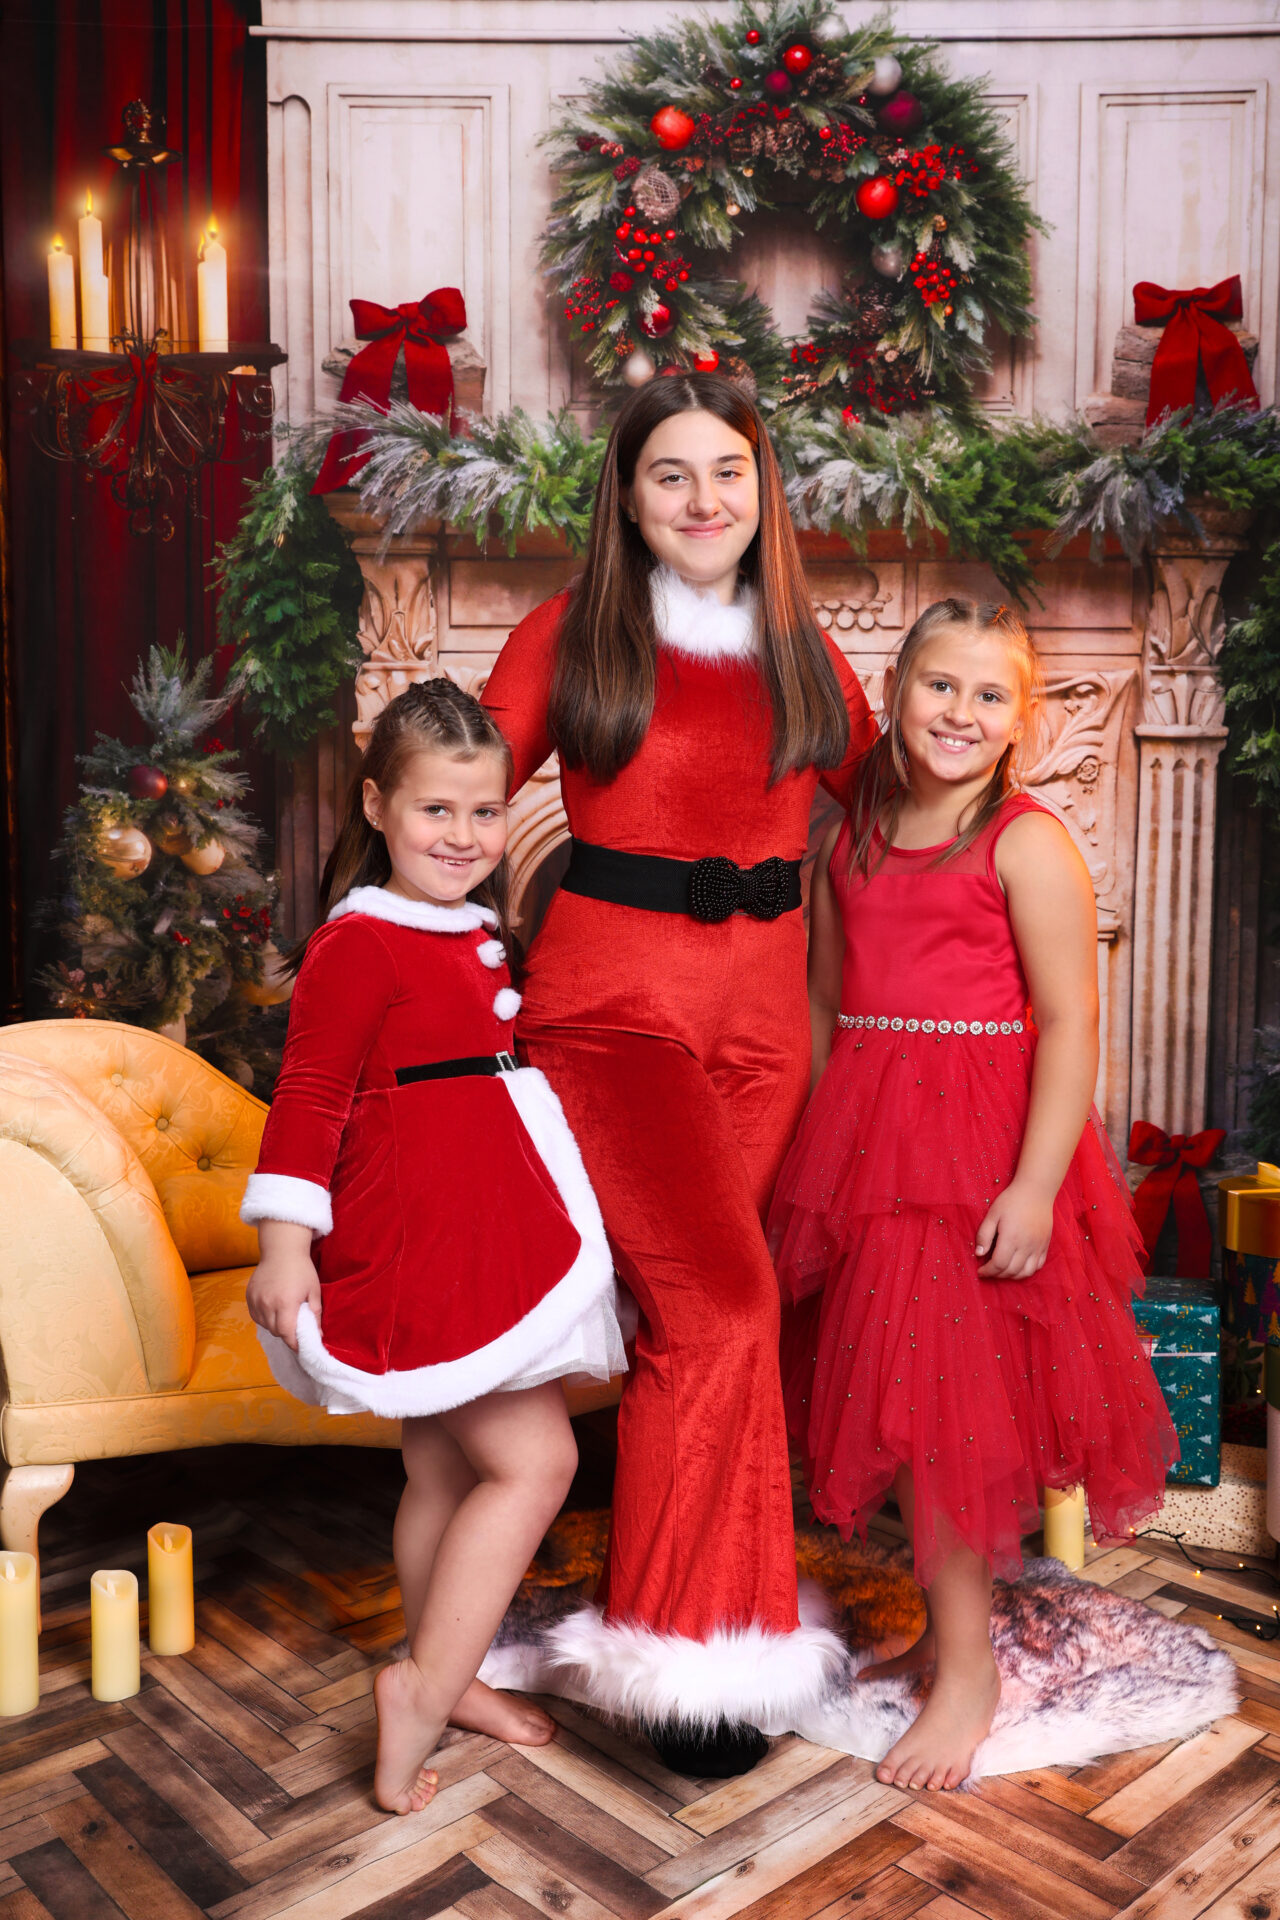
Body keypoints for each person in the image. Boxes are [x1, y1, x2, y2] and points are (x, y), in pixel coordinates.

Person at [480, 371, 879, 1777]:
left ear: (762, 492)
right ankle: (694, 1654)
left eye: (730, 471)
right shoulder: (567, 637)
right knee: (720, 1307)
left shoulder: (802, 650)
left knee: (715, 1320)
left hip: (765, 1033)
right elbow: (453, 795)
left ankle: (710, 1623)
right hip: (609, 1015)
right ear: (630, 499)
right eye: (671, 475)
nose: (705, 500)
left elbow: (895, 812)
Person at [769, 598, 1177, 1792]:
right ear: (893, 698)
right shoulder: (845, 838)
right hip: (869, 1147)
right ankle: (948, 1643)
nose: (960, 712)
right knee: (900, 1411)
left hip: (979, 1150)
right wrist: (804, 1153)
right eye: (938, 687)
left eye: (987, 696)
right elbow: (824, 1005)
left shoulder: (1025, 842)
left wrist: (1038, 1184)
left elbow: (1067, 1021)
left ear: (1019, 722)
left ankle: (971, 1679)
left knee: (946, 1419)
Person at [240, 679, 624, 1816]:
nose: (460, 838)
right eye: (433, 813)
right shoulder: (359, 941)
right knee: (537, 1462)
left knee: (443, 1465)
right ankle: (420, 1684)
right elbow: (307, 1096)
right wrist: (283, 1243)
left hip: (483, 1225)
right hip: (421, 1240)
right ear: (376, 807)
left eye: (483, 813)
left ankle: (448, 1679)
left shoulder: (466, 929)